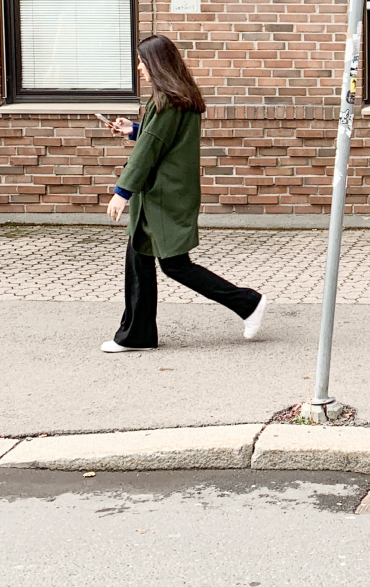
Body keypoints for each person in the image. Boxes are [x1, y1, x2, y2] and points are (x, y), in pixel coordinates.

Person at [102, 35, 266, 352]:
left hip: (162, 197)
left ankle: (248, 303)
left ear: (157, 64)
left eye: (142, 62)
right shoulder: (179, 97)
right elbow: (161, 137)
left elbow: (148, 151)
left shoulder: (165, 102)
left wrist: (122, 191)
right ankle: (138, 335)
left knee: (174, 265)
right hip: (167, 193)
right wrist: (134, 129)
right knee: (139, 259)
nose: (139, 68)